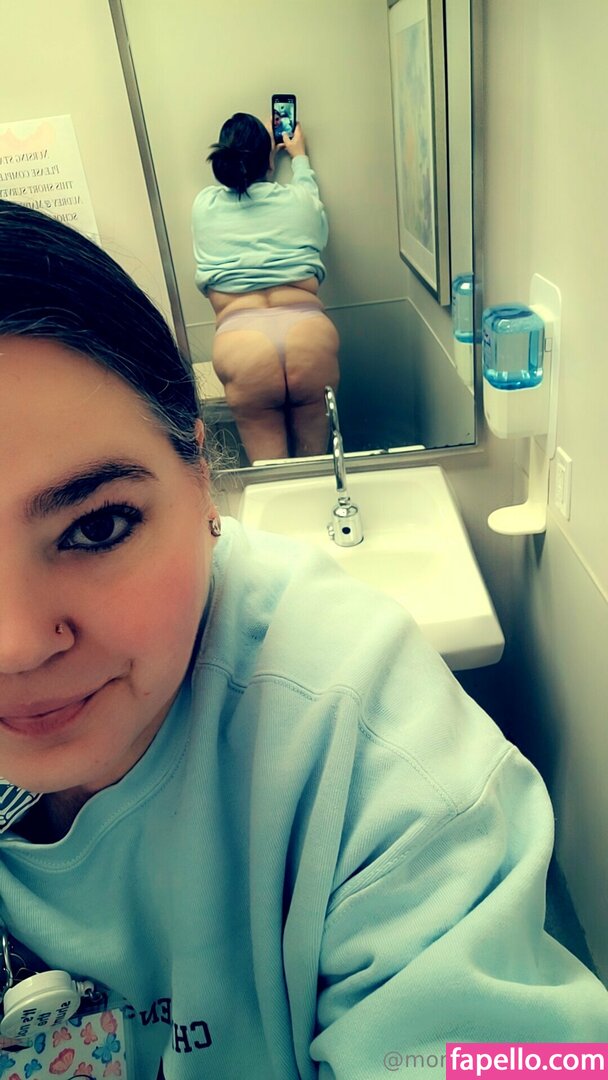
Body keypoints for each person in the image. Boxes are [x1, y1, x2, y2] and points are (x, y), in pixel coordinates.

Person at [0, 198, 607, 1080]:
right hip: (306, 331)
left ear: (204, 481)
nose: (17, 644)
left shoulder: (372, 754)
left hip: (241, 343)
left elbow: (496, 1048)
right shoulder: (298, 188)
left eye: (96, 527)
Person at [192, 112, 339, 464]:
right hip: (309, 336)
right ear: (269, 161)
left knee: (272, 475)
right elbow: (313, 210)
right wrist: (299, 157)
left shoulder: (204, 207)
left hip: (242, 345)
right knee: (316, 468)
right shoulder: (300, 201)